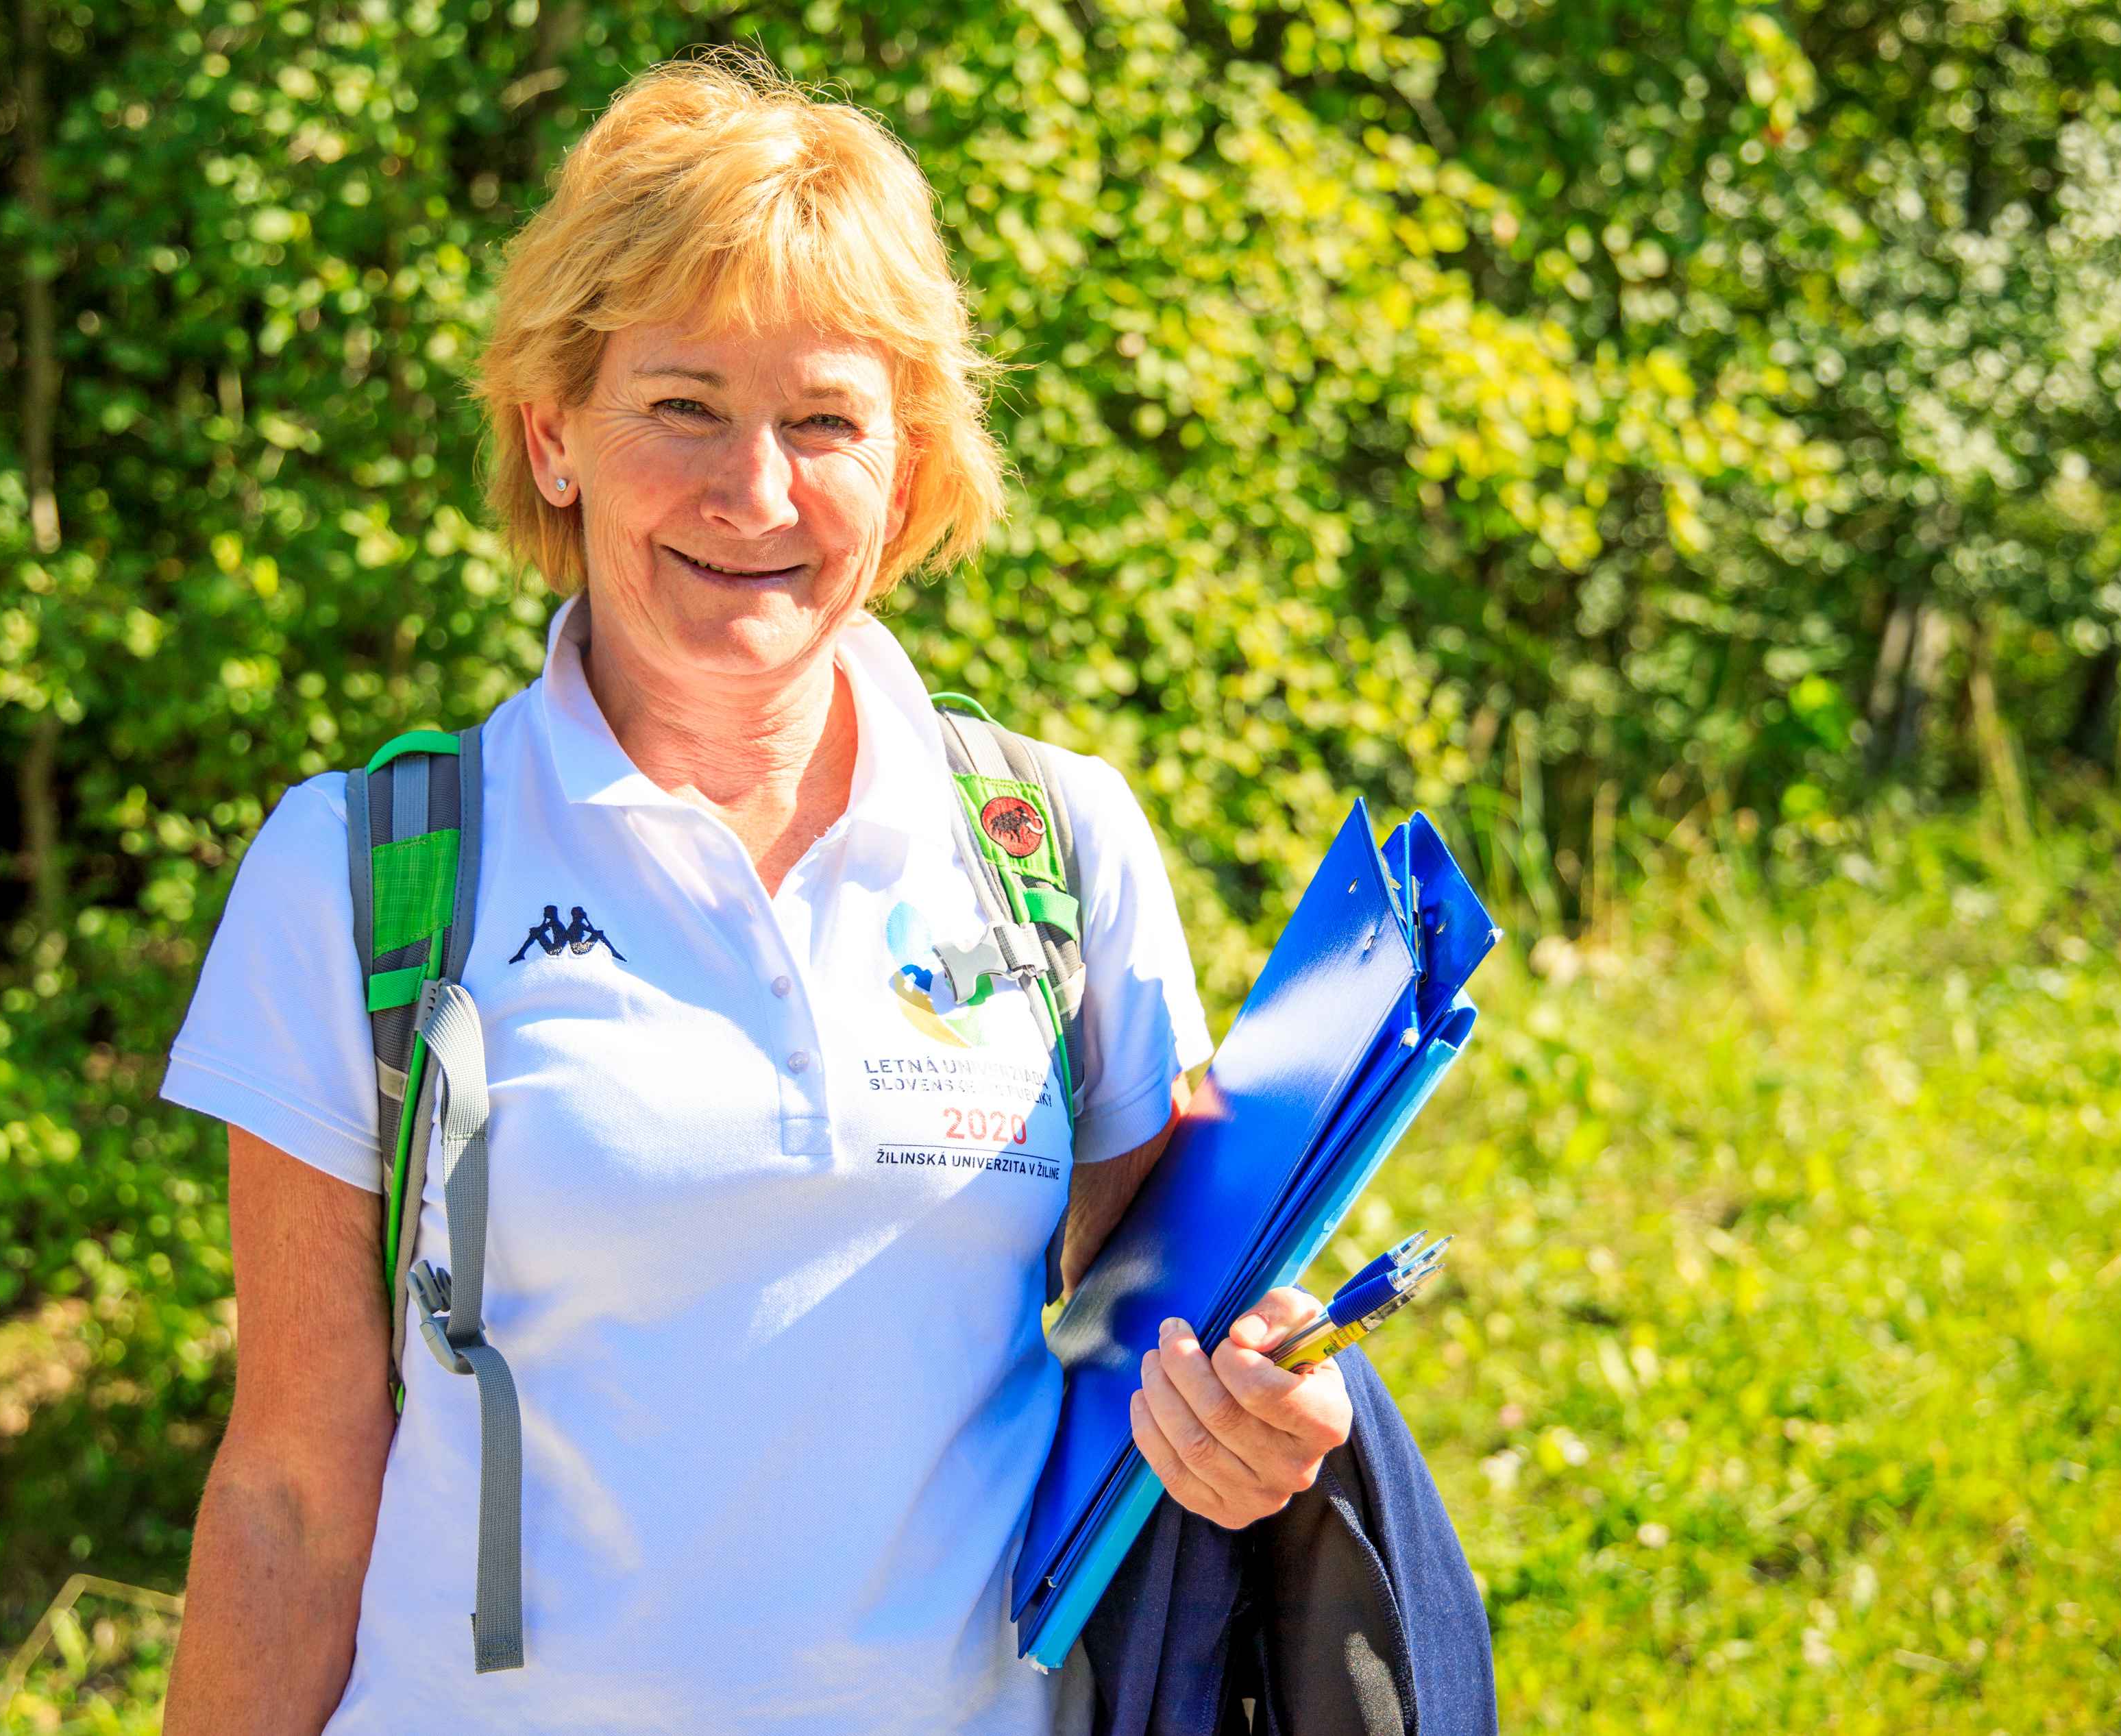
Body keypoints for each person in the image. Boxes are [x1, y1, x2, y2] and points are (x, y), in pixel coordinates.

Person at [155, 47, 1355, 1735]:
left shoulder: (1055, 846)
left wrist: (1259, 1415)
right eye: (683, 407)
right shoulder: (361, 873)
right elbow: (289, 1486)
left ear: (909, 466)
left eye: (825, 420)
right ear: (552, 436)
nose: (757, 493)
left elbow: (1161, 1347)